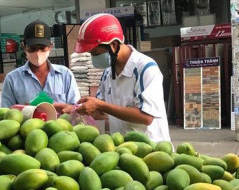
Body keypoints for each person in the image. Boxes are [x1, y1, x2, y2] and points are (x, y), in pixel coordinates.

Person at [73, 13, 171, 142]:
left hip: (152, 151)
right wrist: (77, 109)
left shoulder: (145, 69)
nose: (93, 58)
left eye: (95, 53)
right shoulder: (107, 73)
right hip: (123, 150)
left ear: (113, 44)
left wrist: (102, 106)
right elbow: (100, 111)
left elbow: (146, 117)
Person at [0, 20, 80, 111]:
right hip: (29, 125)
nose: (38, 53)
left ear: (50, 46)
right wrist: (25, 110)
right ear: (23, 46)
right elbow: (7, 113)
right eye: (33, 48)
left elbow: (76, 109)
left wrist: (62, 108)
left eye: (42, 48)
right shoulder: (12, 79)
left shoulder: (65, 74)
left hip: (61, 125)